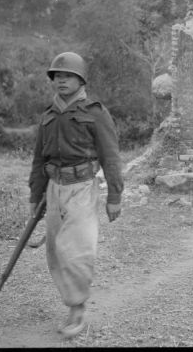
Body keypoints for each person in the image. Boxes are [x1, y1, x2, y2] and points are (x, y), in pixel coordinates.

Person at [28, 52, 123, 338]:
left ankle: (77, 308)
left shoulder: (95, 112)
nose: (61, 81)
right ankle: (72, 299)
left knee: (76, 250)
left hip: (82, 187)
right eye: (57, 77)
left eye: (67, 76)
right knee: (56, 252)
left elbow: (111, 155)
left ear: (80, 79)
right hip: (54, 189)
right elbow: (38, 160)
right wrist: (35, 197)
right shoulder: (48, 115)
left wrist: (114, 196)